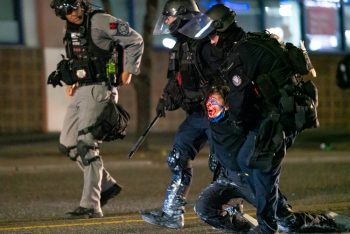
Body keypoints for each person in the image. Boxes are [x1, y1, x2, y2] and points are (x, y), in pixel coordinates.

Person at [179, 4, 324, 233]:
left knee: (257, 163)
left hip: (278, 118)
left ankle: (269, 226)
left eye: (214, 36)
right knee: (250, 162)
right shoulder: (249, 43)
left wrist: (236, 123)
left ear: (222, 30)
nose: (212, 42)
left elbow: (239, 102)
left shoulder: (241, 54)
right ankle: (275, 221)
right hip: (283, 111)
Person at [48, 0, 144, 218]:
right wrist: (71, 78)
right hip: (82, 88)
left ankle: (91, 205)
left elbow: (135, 40)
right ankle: (107, 185)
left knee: (86, 144)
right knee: (68, 144)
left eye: (72, 8)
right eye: (65, 12)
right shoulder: (70, 26)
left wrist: (129, 70)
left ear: (80, 4)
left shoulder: (100, 20)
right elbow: (77, 54)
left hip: (100, 88)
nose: (71, 14)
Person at [195, 86, 336, 233]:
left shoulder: (242, 120)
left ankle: (321, 222)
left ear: (228, 105)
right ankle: (247, 229)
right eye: (209, 101)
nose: (211, 105)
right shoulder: (212, 121)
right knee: (204, 209)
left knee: (286, 221)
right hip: (226, 178)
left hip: (250, 181)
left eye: (215, 100)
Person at [140, 0, 217, 229]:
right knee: (177, 159)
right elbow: (176, 80)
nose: (166, 21)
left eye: (170, 17)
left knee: (222, 164)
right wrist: (166, 99)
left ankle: (229, 211)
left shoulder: (208, 43)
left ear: (183, 17)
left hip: (216, 115)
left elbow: (223, 81)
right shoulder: (180, 47)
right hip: (195, 115)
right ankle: (172, 214)